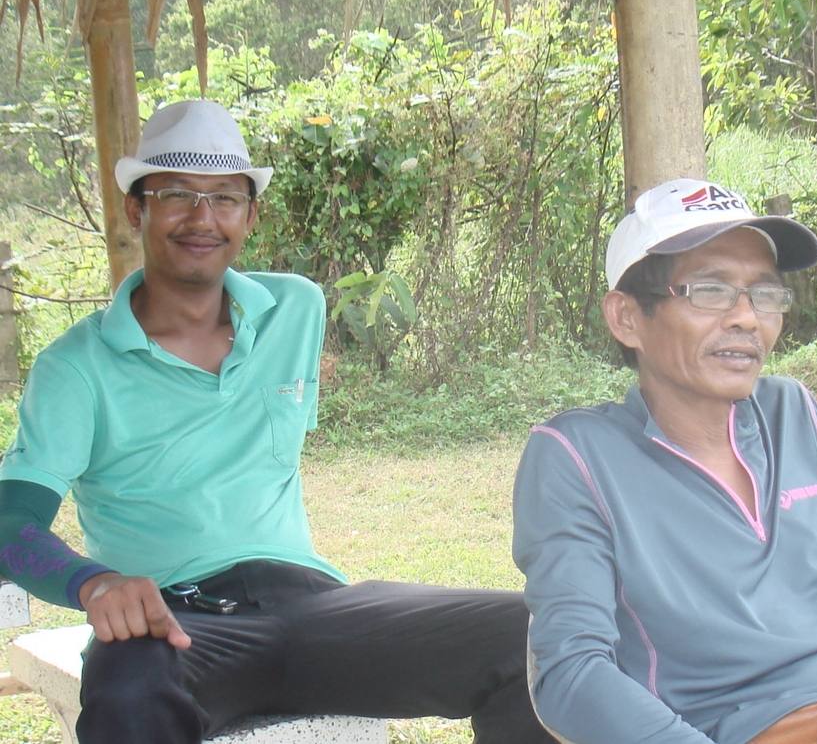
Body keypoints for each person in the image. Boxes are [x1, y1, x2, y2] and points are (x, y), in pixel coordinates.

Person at [0, 99, 554, 744]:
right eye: (177, 194)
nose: (202, 218)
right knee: (130, 694)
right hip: (176, 622)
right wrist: (92, 583)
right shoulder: (76, 366)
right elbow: (10, 521)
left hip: (315, 604)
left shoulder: (294, 307)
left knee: (541, 637)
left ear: (250, 214)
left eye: (225, 197)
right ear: (135, 207)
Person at [512, 178, 817, 744]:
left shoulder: (792, 413)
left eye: (764, 294)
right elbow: (571, 674)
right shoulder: (578, 456)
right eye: (711, 291)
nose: (747, 318)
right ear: (626, 317)